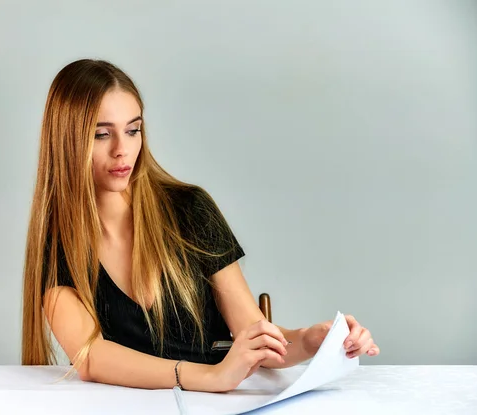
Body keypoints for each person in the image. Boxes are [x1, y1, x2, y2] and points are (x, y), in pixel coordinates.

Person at [21, 59, 380, 393]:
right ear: (66, 140)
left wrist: (312, 339)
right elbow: (90, 357)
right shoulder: (58, 246)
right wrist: (210, 376)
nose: (122, 150)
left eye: (133, 130)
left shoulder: (190, 209)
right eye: (102, 134)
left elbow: (253, 336)